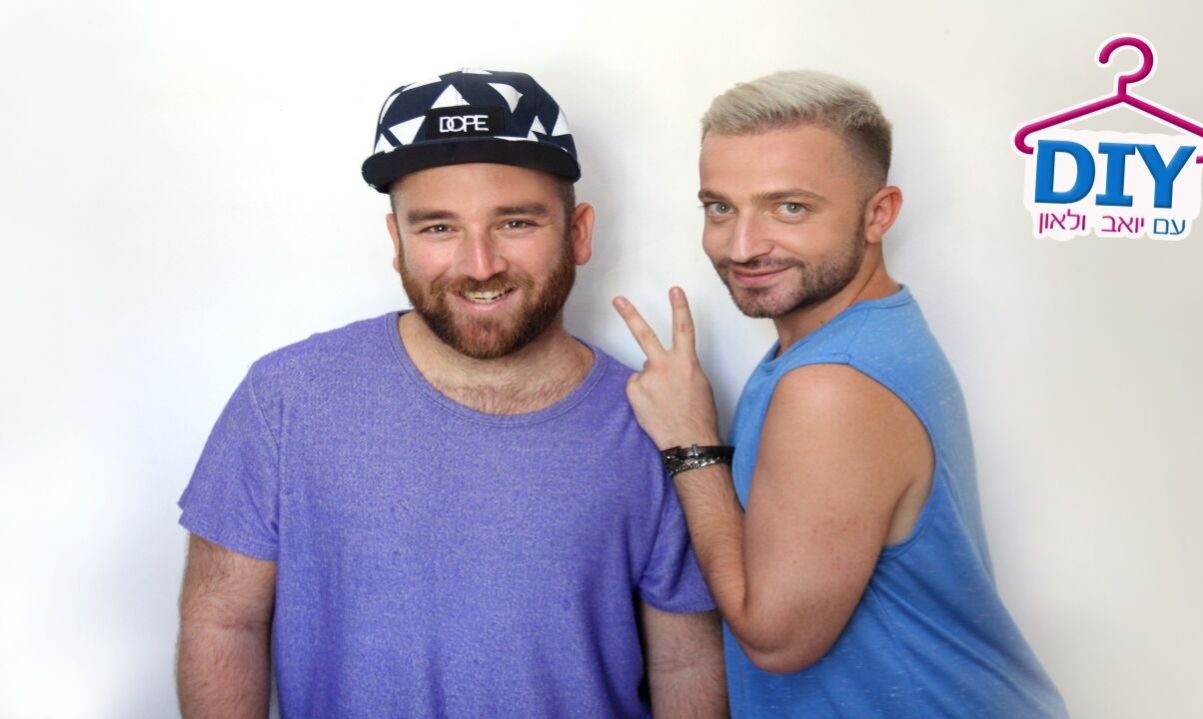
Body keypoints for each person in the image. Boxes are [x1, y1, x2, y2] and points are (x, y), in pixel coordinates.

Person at [176, 68, 727, 719]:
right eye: (438, 228)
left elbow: (686, 662)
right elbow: (223, 621)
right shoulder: (286, 399)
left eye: (515, 221)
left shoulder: (656, 422)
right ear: (397, 242)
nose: (480, 264)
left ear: (578, 232)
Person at [613, 71, 1069, 717]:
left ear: (878, 213)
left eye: (789, 208)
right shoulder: (854, 339)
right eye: (720, 208)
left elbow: (776, 640)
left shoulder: (832, 384)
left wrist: (690, 442)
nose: (742, 246)